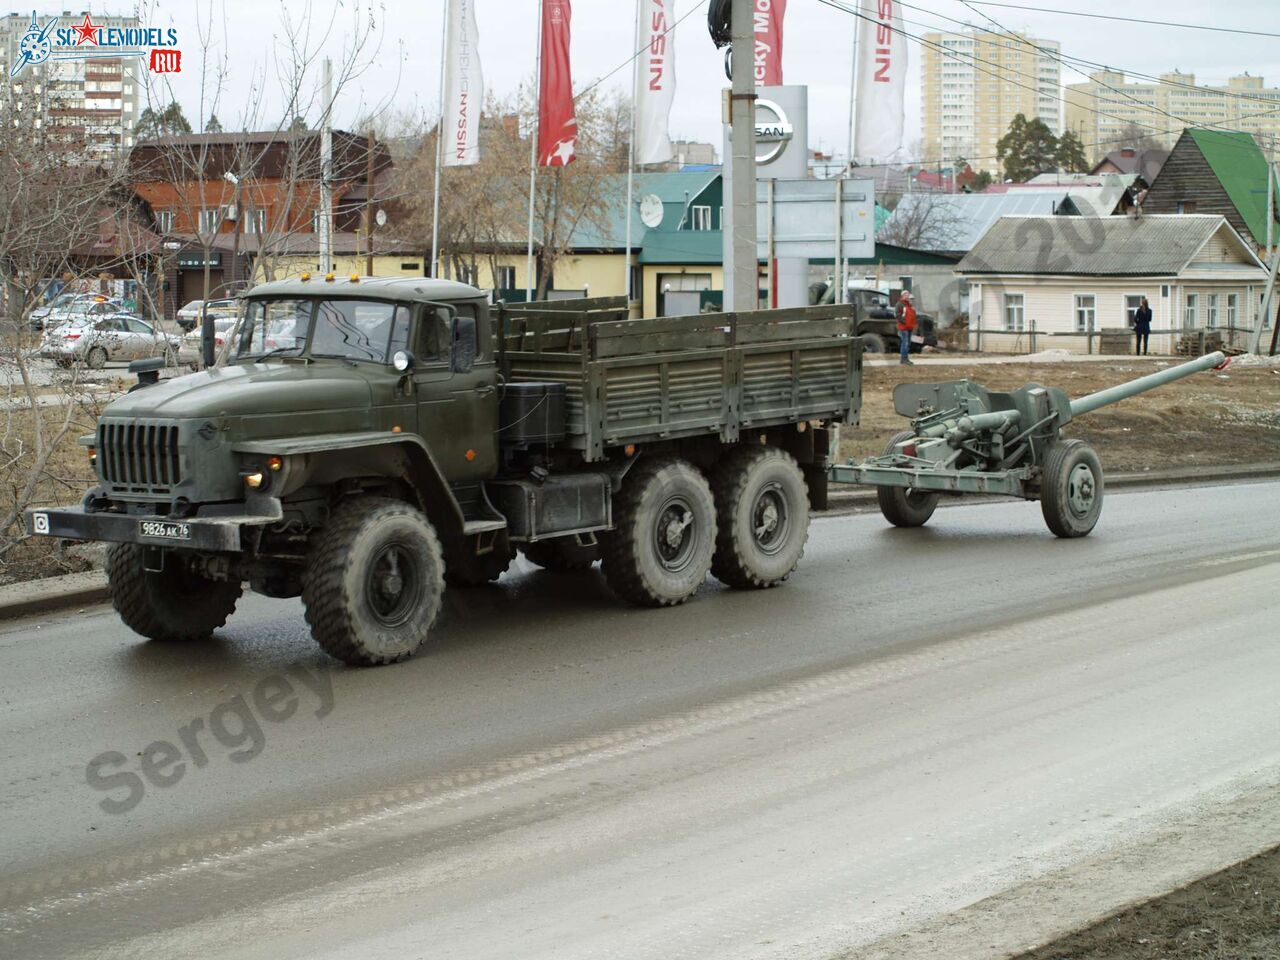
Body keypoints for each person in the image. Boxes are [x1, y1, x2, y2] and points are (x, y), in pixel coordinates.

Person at [896, 291, 917, 365]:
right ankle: (903, 359)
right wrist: (904, 322)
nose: (907, 296)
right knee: (905, 343)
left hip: (910, 327)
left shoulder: (909, 305)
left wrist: (913, 325)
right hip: (903, 327)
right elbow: (898, 315)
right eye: (905, 294)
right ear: (902, 296)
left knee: (908, 343)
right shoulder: (899, 304)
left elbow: (913, 316)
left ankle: (906, 358)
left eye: (908, 294)